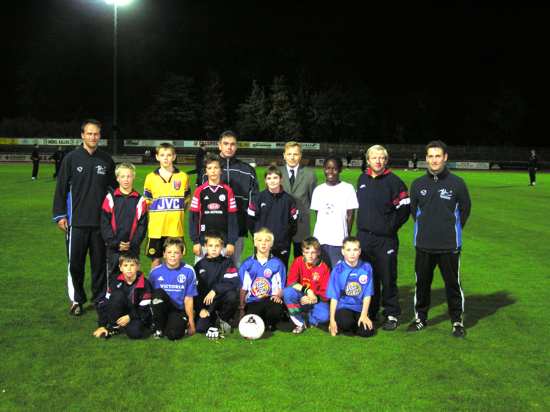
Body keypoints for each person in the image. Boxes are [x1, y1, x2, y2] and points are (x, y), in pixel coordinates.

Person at [52, 119, 116, 316]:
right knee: (75, 264)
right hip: (76, 222)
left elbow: (114, 190)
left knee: (99, 265)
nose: (93, 137)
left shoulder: (106, 160)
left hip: (100, 223)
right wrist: (60, 215)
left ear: (100, 136)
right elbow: (61, 188)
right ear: (82, 135)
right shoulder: (71, 159)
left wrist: (114, 216)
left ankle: (99, 299)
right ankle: (77, 300)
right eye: (89, 133)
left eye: (96, 134)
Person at [408, 140, 471, 338]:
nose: (434, 160)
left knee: (453, 285)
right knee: (422, 284)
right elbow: (414, 212)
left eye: (438, 156)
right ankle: (420, 318)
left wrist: (450, 230)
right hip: (424, 245)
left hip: (449, 245)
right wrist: (427, 229)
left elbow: (465, 209)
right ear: (426, 159)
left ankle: (457, 321)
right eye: (431, 156)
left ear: (445, 158)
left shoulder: (457, 183)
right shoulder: (417, 184)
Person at [356, 145, 410, 330]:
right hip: (364, 238)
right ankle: (371, 311)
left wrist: (389, 227)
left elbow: (404, 208)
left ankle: (391, 313)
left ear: (386, 160)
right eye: (374, 157)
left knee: (387, 277)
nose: (378, 161)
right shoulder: (362, 179)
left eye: (381, 158)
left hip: (385, 239)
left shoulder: (394, 182)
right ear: (368, 160)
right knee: (367, 277)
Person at [207, 130, 259, 267]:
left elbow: (254, 202)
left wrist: (253, 228)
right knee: (210, 267)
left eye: (232, 144)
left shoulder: (247, 170)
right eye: (225, 144)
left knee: (234, 266)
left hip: (238, 227)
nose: (229, 147)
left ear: (236, 146)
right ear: (219, 145)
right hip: (212, 228)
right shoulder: (209, 169)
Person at [143, 143, 191, 268]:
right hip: (156, 229)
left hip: (175, 228)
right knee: (156, 261)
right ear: (157, 157)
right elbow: (147, 202)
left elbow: (186, 201)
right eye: (162, 155)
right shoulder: (150, 177)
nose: (166, 158)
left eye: (169, 155)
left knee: (174, 260)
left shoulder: (183, 177)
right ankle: (154, 282)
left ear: (174, 157)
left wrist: (176, 215)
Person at [100, 162, 148, 283]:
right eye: (123, 176)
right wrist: (114, 243)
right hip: (114, 249)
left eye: (129, 176)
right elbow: (105, 223)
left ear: (133, 177)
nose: (126, 179)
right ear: (117, 178)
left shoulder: (140, 200)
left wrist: (133, 243)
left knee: (131, 278)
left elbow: (142, 226)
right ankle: (111, 294)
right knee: (113, 278)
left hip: (132, 249)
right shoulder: (110, 198)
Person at [310, 156, 358, 268]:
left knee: (337, 273)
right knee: (321, 273)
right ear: (324, 169)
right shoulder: (318, 190)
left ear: (340, 170)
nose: (330, 172)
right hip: (320, 240)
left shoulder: (348, 189)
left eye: (334, 169)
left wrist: (346, 236)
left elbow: (350, 215)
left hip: (338, 240)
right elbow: (318, 214)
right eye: (328, 168)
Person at [247, 164, 299, 269]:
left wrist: (284, 236)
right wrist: (258, 237)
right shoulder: (258, 198)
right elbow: (250, 221)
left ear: (281, 179)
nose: (272, 181)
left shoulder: (289, 200)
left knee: (280, 273)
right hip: (262, 245)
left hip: (282, 245)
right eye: (269, 178)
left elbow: (294, 223)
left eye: (275, 177)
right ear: (265, 181)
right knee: (260, 274)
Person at [189, 153, 238, 261]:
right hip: (204, 242)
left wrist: (231, 242)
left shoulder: (228, 191)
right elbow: (193, 218)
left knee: (223, 270)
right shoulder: (199, 191)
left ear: (221, 170)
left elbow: (232, 219)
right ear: (206, 171)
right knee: (202, 270)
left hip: (223, 242)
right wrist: (195, 241)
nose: (213, 171)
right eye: (210, 168)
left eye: (216, 167)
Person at [92, 254, 152, 339]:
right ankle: (113, 325)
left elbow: (145, 309)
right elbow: (106, 303)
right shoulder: (115, 281)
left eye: (132, 265)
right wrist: (102, 325)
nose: (129, 268)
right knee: (117, 295)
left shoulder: (145, 284)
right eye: (125, 265)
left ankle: (122, 327)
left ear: (138, 267)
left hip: (137, 315)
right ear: (120, 268)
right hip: (121, 311)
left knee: (135, 333)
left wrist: (129, 317)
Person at [148, 238, 197, 340]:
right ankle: (158, 327)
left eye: (176, 252)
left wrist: (191, 323)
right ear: (164, 254)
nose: (172, 255)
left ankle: (170, 325)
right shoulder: (155, 272)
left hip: (178, 310)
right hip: (161, 309)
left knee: (173, 335)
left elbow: (188, 299)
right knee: (158, 294)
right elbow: (149, 297)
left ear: (182, 254)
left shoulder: (188, 271)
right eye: (169, 252)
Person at [239, 228, 286, 331]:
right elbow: (243, 288)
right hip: (253, 300)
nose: (263, 243)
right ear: (255, 243)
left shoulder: (278, 264)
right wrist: (242, 309)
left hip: (270, 299)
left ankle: (270, 323)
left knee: (276, 310)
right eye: (260, 240)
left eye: (267, 240)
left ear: (271, 244)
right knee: (253, 318)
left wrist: (278, 296)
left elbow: (282, 287)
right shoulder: (247, 264)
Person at [327, 236, 375, 338]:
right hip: (344, 306)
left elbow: (367, 294)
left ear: (360, 251)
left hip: (359, 307)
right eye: (348, 250)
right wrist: (332, 320)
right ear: (343, 251)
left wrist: (364, 314)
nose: (352, 253)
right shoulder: (338, 270)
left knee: (367, 332)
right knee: (346, 322)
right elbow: (334, 296)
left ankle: (357, 323)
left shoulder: (366, 268)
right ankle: (346, 323)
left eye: (355, 250)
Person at [194, 232, 240, 335]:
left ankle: (224, 318)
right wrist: (200, 309)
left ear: (222, 247)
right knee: (201, 328)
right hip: (206, 303)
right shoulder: (199, 265)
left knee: (232, 295)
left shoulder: (228, 262)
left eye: (217, 246)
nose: (214, 249)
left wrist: (215, 290)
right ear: (205, 246)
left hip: (221, 300)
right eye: (210, 246)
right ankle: (213, 318)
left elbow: (233, 282)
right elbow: (195, 291)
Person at [283, 237, 331, 334]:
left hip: (315, 299)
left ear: (318, 252)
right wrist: (308, 291)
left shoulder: (324, 268)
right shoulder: (298, 261)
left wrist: (315, 298)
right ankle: (299, 322)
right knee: (288, 292)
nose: (310, 255)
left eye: (313, 252)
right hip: (301, 296)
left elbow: (326, 293)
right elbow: (291, 282)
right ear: (303, 252)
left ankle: (308, 319)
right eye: (307, 252)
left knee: (325, 316)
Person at [279, 141, 317, 259]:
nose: (292, 157)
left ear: (300, 156)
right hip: (281, 225)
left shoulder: (309, 174)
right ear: (284, 155)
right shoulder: (277, 173)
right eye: (289, 154)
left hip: (302, 226)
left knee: (301, 261)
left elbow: (314, 201)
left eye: (295, 154)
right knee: (280, 261)